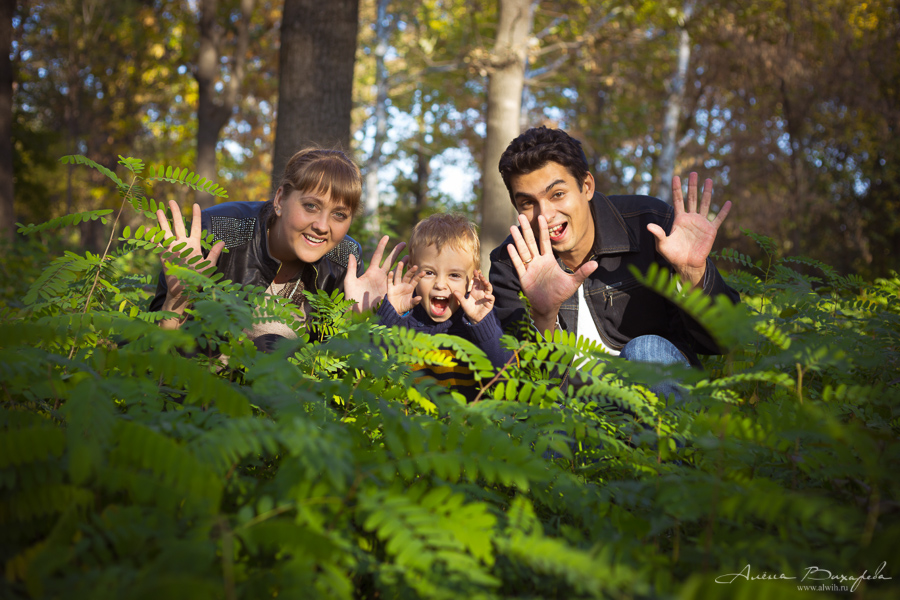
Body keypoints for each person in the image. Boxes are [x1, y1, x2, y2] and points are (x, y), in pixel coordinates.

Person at [488, 126, 740, 394]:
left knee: (646, 351)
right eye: (528, 203)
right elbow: (523, 385)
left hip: (663, 406)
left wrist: (693, 273)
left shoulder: (651, 226)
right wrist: (544, 315)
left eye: (557, 194)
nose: (544, 215)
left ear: (586, 186)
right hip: (575, 413)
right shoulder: (511, 264)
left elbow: (727, 340)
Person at [149, 147, 404, 349]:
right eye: (311, 206)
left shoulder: (343, 260)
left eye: (339, 214)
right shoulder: (217, 231)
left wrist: (359, 321)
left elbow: (329, 376)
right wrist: (177, 298)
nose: (322, 226)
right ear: (280, 199)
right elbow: (151, 354)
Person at [377, 213, 512, 401]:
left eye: (454, 275)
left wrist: (482, 324)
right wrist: (390, 316)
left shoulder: (478, 322)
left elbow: (507, 382)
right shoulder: (402, 320)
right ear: (412, 273)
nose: (440, 284)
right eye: (429, 272)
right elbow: (365, 368)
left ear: (472, 281)